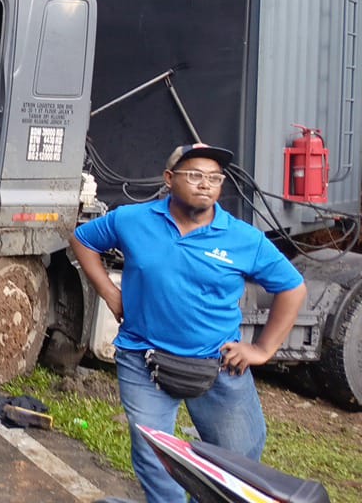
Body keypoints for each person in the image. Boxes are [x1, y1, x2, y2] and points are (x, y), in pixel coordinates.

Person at [69, 143, 307, 503]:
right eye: (194, 175)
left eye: (214, 178)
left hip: (219, 363)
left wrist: (262, 349)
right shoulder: (132, 220)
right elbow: (83, 240)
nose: (205, 184)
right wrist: (109, 292)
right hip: (143, 359)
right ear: (169, 179)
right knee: (155, 457)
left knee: (239, 459)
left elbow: (291, 287)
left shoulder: (243, 239)